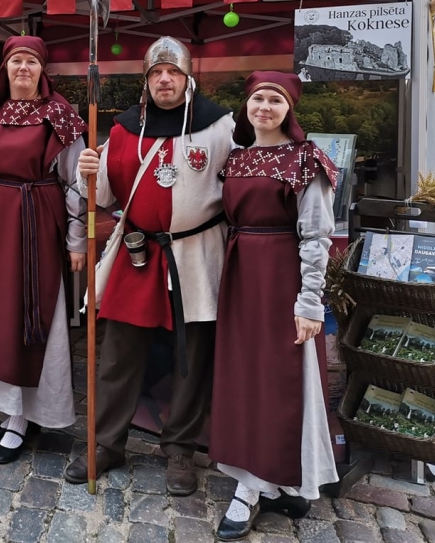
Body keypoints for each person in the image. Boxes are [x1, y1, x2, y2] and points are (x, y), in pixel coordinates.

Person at [67, 36, 234, 495]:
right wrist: (89, 170)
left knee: (191, 358)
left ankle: (179, 448)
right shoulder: (122, 129)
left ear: (187, 79)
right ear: (146, 81)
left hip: (197, 253)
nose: (165, 79)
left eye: (173, 73)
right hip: (138, 253)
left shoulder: (220, 127)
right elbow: (101, 197)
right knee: (118, 354)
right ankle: (106, 444)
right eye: (157, 73)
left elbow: (239, 185)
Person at [209, 71, 339, 541]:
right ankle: (271, 478)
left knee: (280, 379)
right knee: (245, 376)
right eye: (258, 99)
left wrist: (309, 302)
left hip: (282, 278)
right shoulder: (236, 158)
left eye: (275, 101)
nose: (264, 107)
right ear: (246, 106)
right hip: (241, 275)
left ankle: (254, 485)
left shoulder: (306, 160)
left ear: (290, 110)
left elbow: (316, 235)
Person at [0, 35, 87, 464]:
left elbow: (77, 184)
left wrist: (76, 240)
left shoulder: (60, 115)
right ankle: (9, 409)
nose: (22, 68)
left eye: (30, 61)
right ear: (4, 70)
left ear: (41, 70)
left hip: (35, 225)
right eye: (15, 62)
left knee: (31, 313)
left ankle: (27, 417)